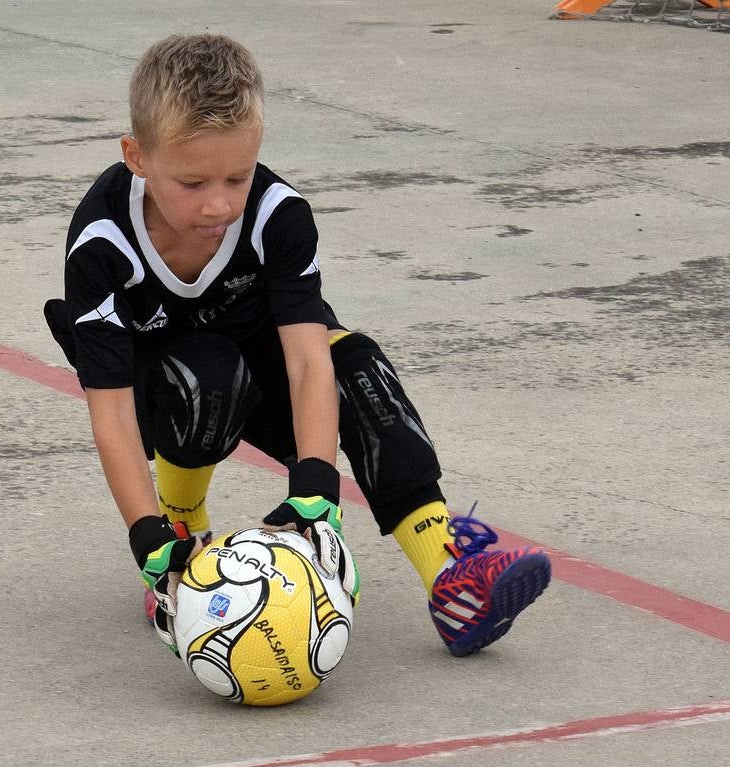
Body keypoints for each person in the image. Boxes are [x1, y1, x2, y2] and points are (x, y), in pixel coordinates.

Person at [44, 33, 551, 659]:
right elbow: (112, 412)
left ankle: (451, 577)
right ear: (137, 157)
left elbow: (308, 358)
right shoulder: (100, 242)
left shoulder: (277, 214)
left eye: (238, 175)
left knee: (359, 369)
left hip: (264, 352)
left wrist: (316, 492)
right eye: (193, 182)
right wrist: (147, 537)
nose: (220, 203)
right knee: (207, 376)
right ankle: (182, 529)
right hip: (163, 377)